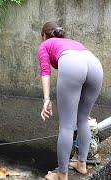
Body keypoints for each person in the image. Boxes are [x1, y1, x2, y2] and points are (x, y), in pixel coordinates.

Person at [38, 21, 103, 180]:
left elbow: (45, 71)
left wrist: (46, 99)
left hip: (73, 65)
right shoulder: (71, 42)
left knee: (66, 125)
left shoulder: (45, 45)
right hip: (95, 65)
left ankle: (62, 174)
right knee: (82, 119)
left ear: (43, 36)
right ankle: (81, 163)